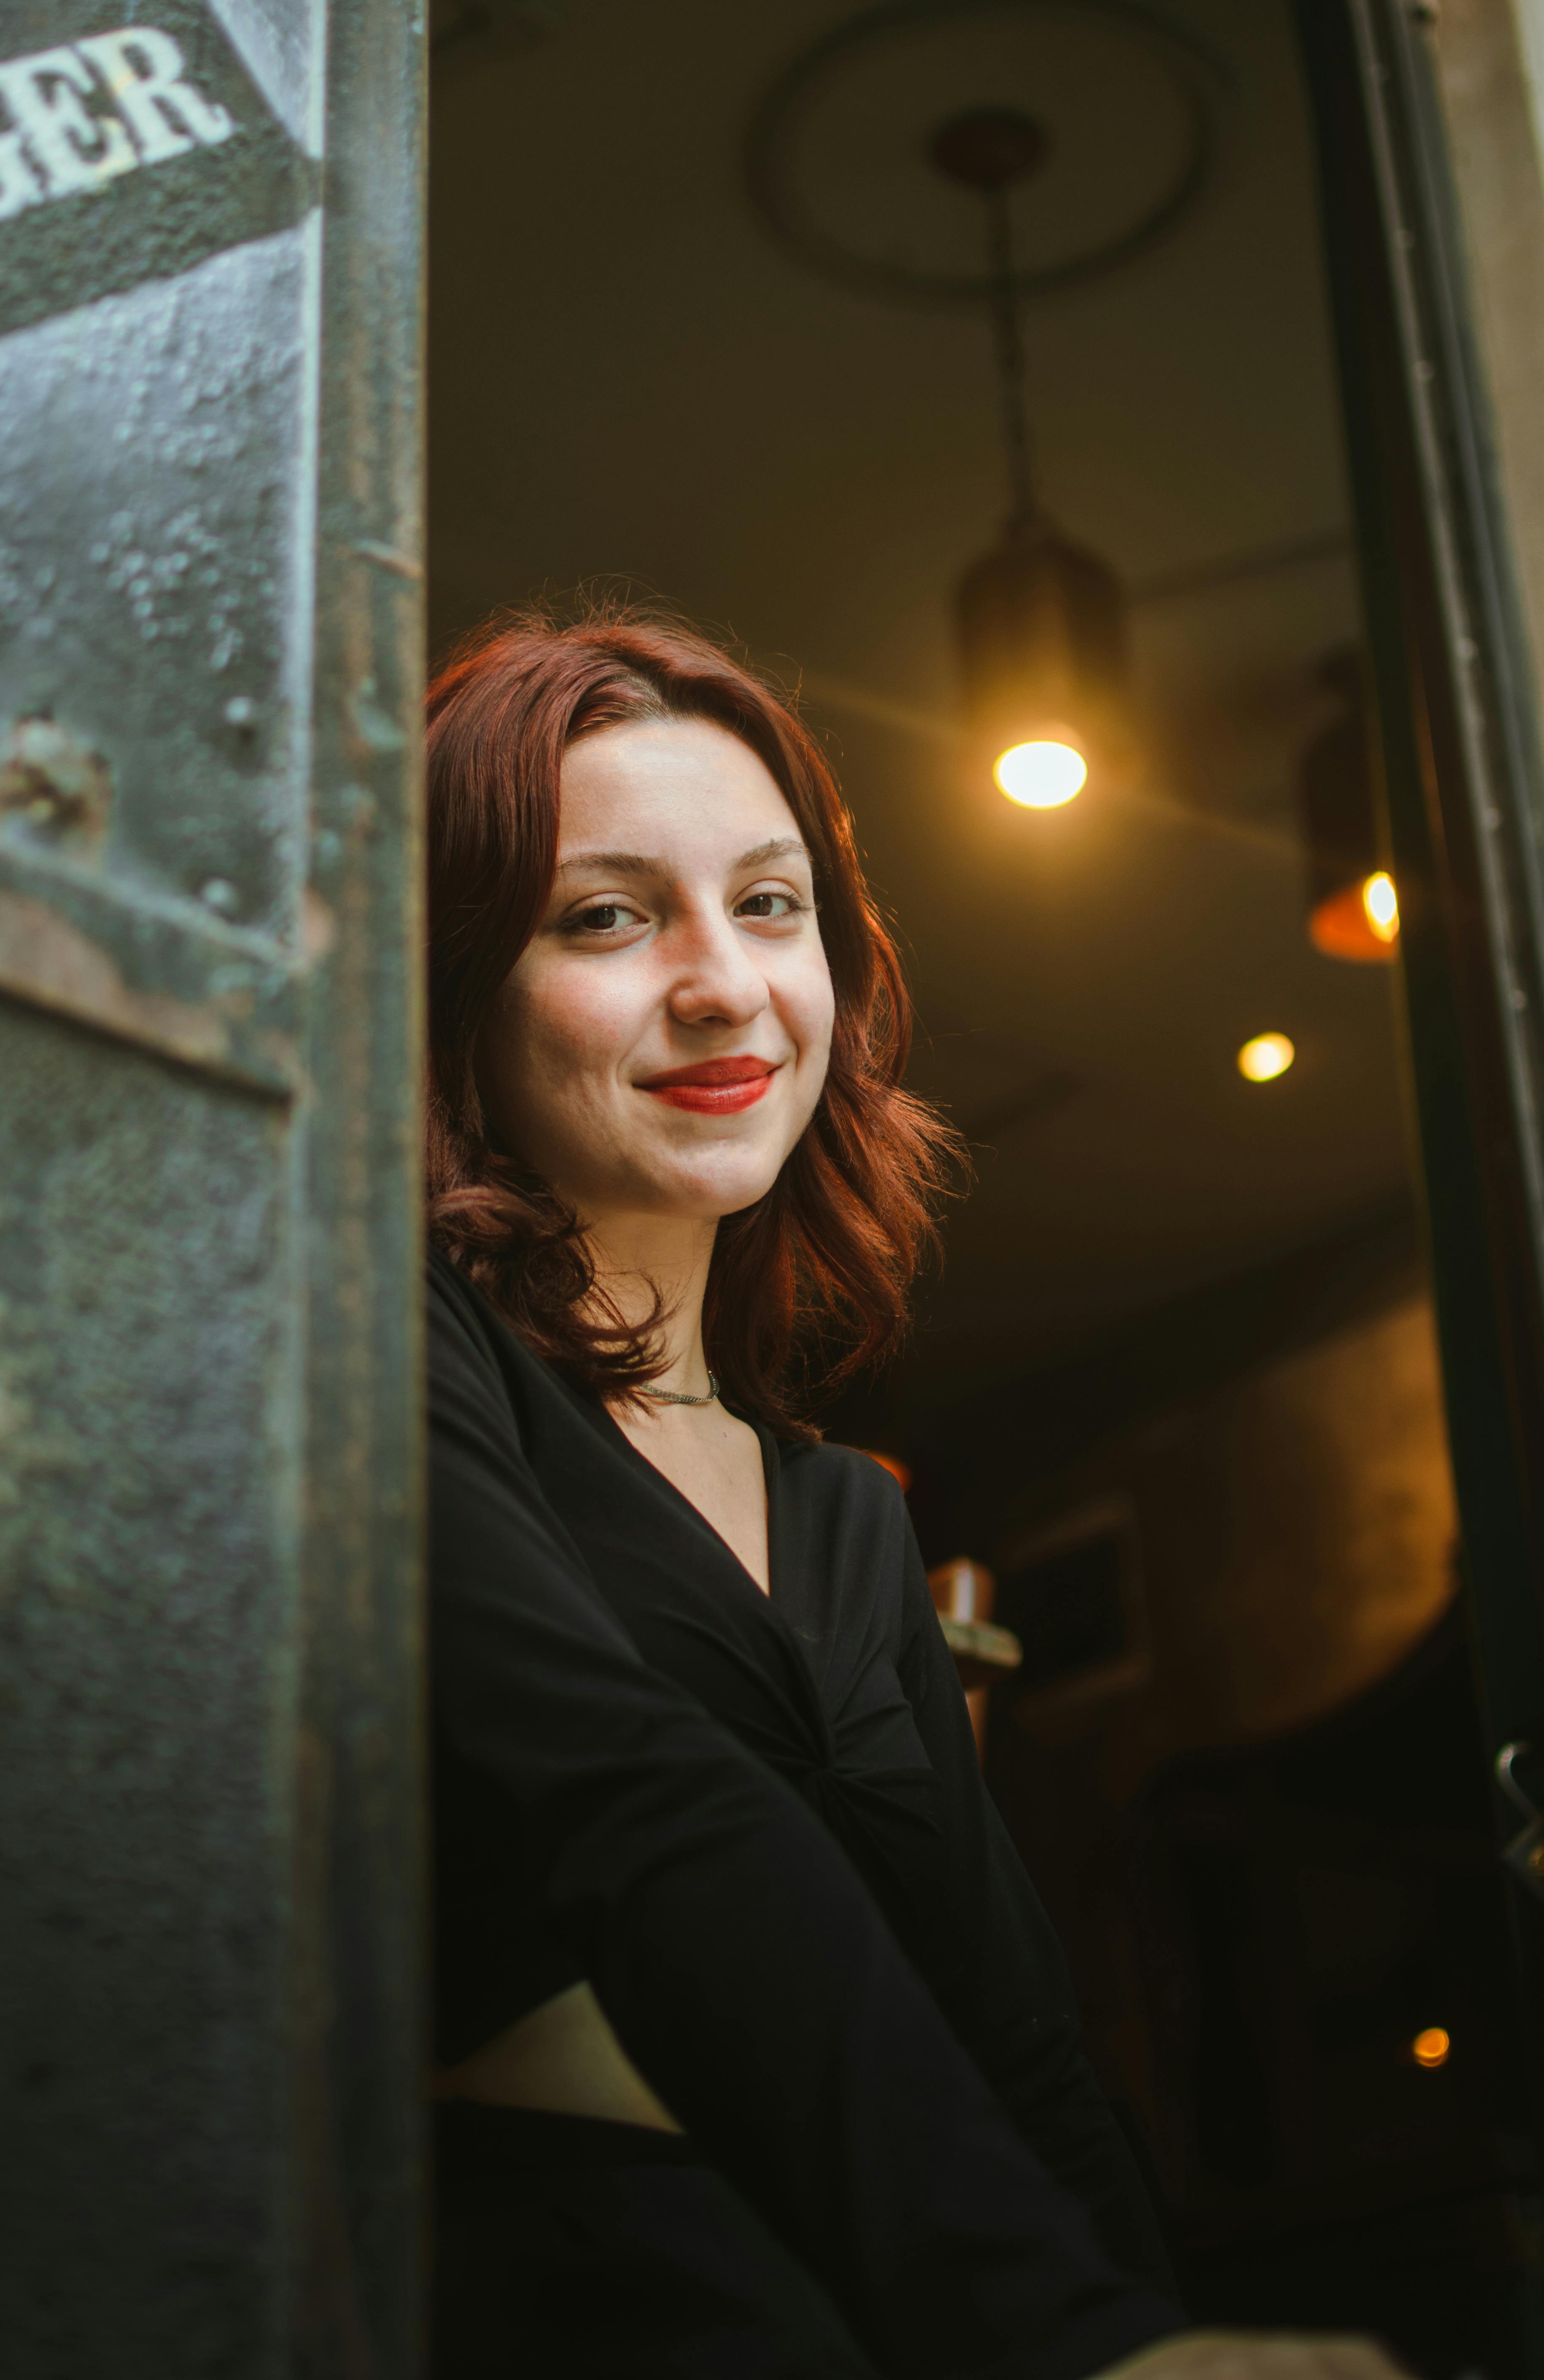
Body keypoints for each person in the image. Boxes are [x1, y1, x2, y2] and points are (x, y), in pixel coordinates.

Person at [425, 605, 1404, 2380]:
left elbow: (1014, 2034)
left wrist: (1141, 2341)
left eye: (770, 902)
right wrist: (1052, 2331)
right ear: (453, 981)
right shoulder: (404, 1352)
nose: (723, 982)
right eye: (607, 915)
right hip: (568, 2297)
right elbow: (632, 1814)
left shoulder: (847, 1518)